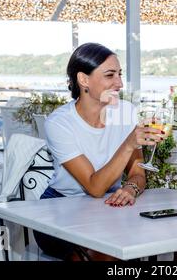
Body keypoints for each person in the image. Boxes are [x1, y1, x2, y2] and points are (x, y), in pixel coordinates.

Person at [33, 43, 163, 261]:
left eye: (120, 74)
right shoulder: (60, 123)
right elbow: (94, 187)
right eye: (110, 75)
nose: (119, 83)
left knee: (149, 239)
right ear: (83, 80)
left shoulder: (126, 112)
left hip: (107, 209)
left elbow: (138, 173)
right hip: (59, 210)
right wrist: (129, 144)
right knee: (102, 253)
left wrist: (130, 189)